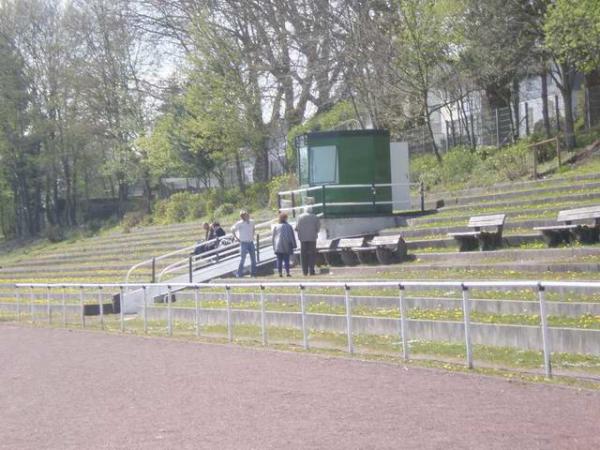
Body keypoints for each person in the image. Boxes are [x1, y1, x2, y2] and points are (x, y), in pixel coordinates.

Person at [295, 206, 320, 276]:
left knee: (303, 255)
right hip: (312, 238)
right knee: (312, 254)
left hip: (303, 238)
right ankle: (311, 271)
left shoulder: (300, 217)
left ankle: (304, 271)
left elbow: (296, 228)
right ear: (311, 210)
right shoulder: (315, 217)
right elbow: (318, 228)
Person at [231, 210, 256, 277]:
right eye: (244, 215)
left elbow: (253, 228)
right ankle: (239, 273)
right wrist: (236, 237)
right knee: (242, 259)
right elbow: (232, 229)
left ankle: (253, 273)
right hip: (243, 243)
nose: (247, 216)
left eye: (246, 214)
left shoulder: (252, 222)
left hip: (251, 242)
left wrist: (253, 235)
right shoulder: (239, 223)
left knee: (253, 258)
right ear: (242, 217)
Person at [272, 213, 297, 277]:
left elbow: (273, 237)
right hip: (287, 245)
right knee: (286, 260)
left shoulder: (276, 226)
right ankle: (287, 273)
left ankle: (280, 273)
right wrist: (294, 244)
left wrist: (274, 246)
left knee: (279, 260)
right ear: (286, 218)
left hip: (278, 245)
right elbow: (292, 236)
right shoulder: (289, 226)